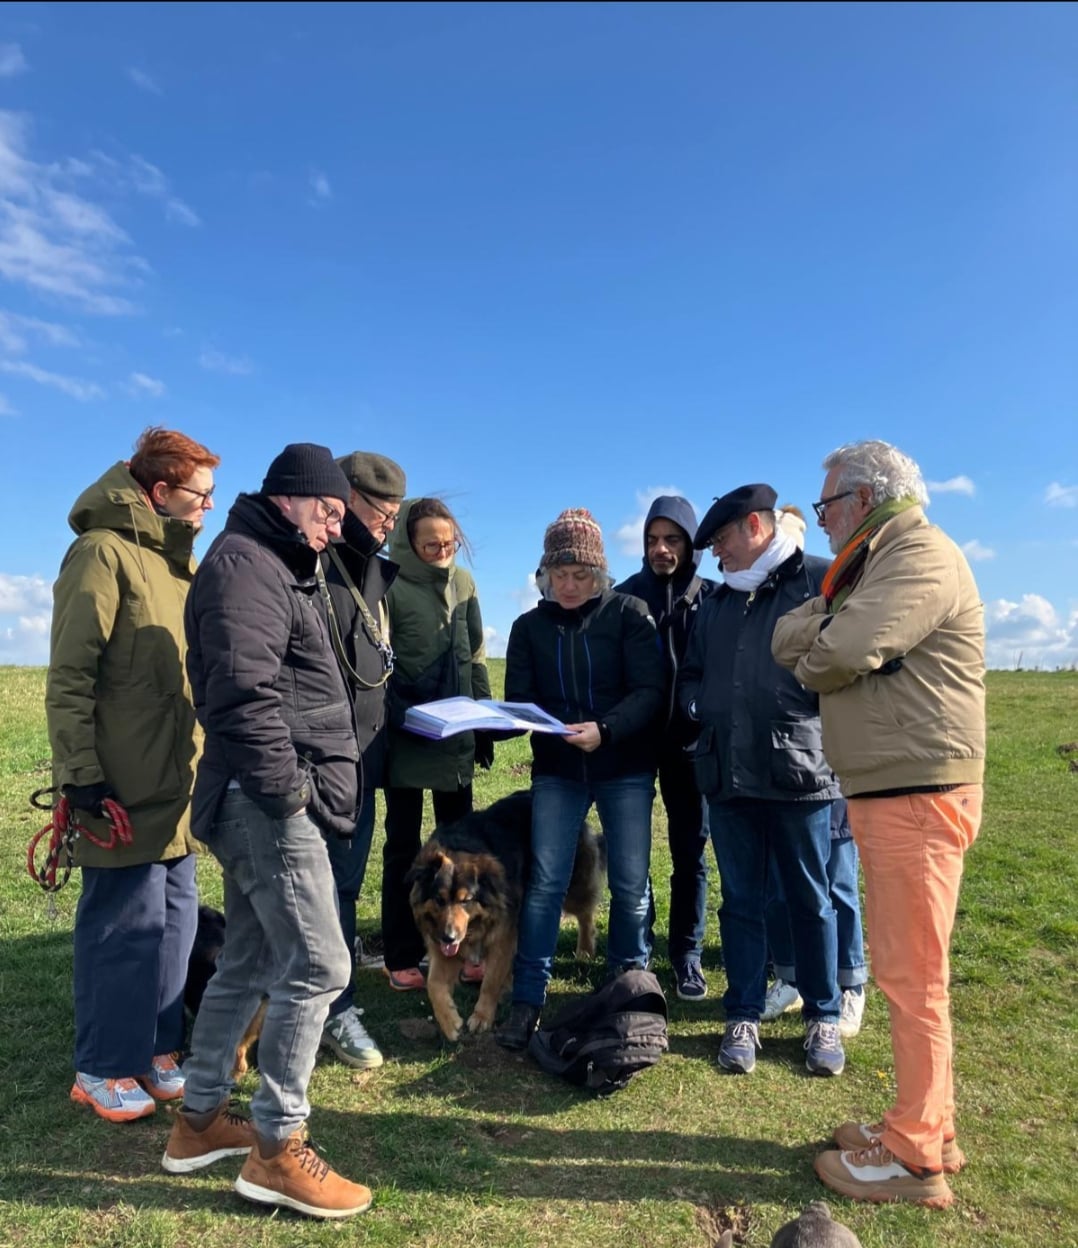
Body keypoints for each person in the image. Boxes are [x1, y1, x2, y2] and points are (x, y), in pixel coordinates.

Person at [772, 440, 985, 1208]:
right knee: (909, 975)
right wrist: (829, 634)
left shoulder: (917, 555)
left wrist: (830, 640)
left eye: (827, 505)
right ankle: (922, 1126)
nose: (822, 519)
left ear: (862, 500)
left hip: (916, 794)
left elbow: (843, 651)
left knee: (911, 980)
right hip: (896, 788)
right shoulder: (871, 567)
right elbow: (793, 637)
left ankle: (915, 1158)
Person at [164, 443, 371, 1220]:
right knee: (319, 964)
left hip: (258, 799)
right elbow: (242, 696)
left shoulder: (273, 561)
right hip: (265, 804)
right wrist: (290, 795)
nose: (334, 526)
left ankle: (199, 1120)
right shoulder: (247, 566)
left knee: (248, 956)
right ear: (290, 497)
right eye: (328, 510)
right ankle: (279, 1149)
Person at [47, 427, 219, 1124]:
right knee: (121, 926)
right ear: (159, 492)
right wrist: (81, 775)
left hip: (174, 781)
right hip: (117, 784)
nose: (207, 506)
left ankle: (156, 1050)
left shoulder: (179, 566)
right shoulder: (99, 554)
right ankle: (102, 1065)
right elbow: (70, 676)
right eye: (199, 494)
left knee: (174, 923)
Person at [678, 484, 846, 1077]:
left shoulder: (822, 580)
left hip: (801, 773)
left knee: (810, 899)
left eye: (721, 541)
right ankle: (742, 1014)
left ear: (754, 527)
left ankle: (823, 1017)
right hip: (728, 775)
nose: (715, 556)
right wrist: (700, 709)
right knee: (742, 902)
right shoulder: (718, 602)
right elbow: (692, 673)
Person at [496, 509, 665, 1050]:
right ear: (543, 576)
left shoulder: (630, 614)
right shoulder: (528, 628)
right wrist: (515, 722)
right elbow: (521, 698)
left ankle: (629, 991)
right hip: (558, 769)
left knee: (631, 885)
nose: (569, 586)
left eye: (581, 576)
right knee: (546, 883)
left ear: (601, 575)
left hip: (624, 765)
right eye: (559, 575)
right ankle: (528, 1000)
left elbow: (649, 691)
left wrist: (607, 729)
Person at [761, 506, 868, 1038]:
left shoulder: (828, 578)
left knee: (837, 881)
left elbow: (840, 653)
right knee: (783, 883)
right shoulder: (761, 591)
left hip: (827, 761)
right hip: (779, 767)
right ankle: (790, 976)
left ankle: (850, 984)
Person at [315, 451, 406, 1069]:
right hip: (310, 767)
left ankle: (339, 1005)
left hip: (361, 767)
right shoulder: (309, 564)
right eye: (379, 511)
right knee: (300, 895)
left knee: (345, 889)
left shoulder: (377, 575)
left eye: (394, 515)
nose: (386, 526)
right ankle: (304, 1008)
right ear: (345, 496)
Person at [380, 497, 492, 991]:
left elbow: (478, 654)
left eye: (449, 543)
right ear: (409, 541)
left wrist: (486, 722)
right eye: (431, 544)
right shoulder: (389, 583)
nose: (442, 551)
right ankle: (401, 952)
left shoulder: (465, 583)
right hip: (407, 731)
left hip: (457, 733)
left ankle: (466, 949)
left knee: (460, 849)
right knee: (404, 847)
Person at [614, 496, 717, 1001]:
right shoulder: (624, 598)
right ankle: (638, 948)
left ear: (690, 543)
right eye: (652, 540)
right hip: (634, 743)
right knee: (631, 853)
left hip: (689, 746)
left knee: (690, 853)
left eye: (672, 539)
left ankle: (687, 953)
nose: (661, 549)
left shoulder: (713, 599)